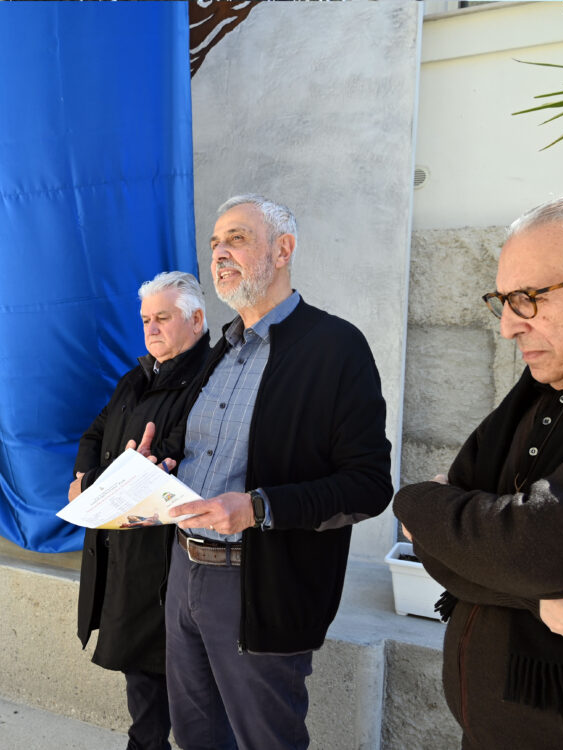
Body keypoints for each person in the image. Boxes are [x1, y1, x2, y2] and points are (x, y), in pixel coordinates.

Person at [150, 195, 392, 749]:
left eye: (236, 238)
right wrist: (158, 464)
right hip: (185, 572)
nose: (219, 253)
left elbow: (369, 485)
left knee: (266, 740)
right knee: (195, 736)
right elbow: (203, 450)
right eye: (214, 243)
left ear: (283, 250)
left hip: (261, 582)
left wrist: (258, 507)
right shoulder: (221, 351)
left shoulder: (336, 347)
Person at [394, 193, 563, 749]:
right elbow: (455, 548)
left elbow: (537, 545)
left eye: (527, 299)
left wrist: (416, 505)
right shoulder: (540, 393)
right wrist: (539, 598)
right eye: (503, 300)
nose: (507, 327)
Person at [71, 271, 211, 750]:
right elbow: (94, 434)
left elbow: (175, 454)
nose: (151, 329)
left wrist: (126, 476)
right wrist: (82, 481)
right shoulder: (136, 377)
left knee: (172, 673)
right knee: (141, 676)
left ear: (196, 319)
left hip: (169, 558)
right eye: (146, 319)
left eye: (163, 318)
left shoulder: (210, 381)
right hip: (124, 550)